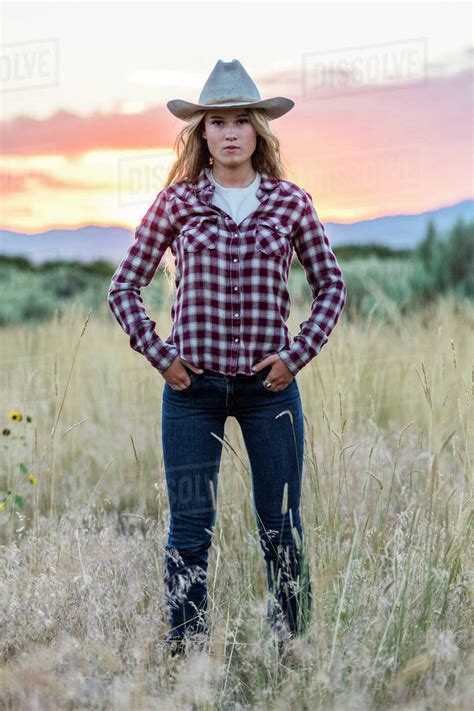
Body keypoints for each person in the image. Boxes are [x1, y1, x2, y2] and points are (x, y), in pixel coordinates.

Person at [107, 59, 347, 657]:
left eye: (243, 120)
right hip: (193, 394)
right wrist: (163, 358)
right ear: (202, 133)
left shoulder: (290, 204)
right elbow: (123, 287)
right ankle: (187, 662)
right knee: (190, 532)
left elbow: (331, 286)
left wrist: (296, 356)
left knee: (281, 529)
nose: (232, 132)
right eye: (219, 122)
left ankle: (293, 655)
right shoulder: (176, 204)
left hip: (272, 394)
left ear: (260, 131)